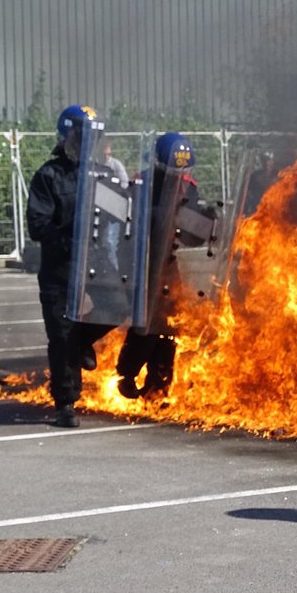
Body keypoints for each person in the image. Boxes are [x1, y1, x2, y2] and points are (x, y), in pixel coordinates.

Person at [26, 104, 116, 428]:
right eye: (82, 136)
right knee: (61, 334)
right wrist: (66, 242)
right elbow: (37, 224)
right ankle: (65, 403)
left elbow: (119, 215)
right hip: (60, 269)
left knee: (118, 304)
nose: (88, 143)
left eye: (94, 137)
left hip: (96, 265)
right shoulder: (48, 176)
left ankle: (82, 341)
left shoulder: (102, 175)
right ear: (67, 136)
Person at [116, 132, 200, 399]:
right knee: (146, 323)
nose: (178, 175)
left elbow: (190, 232)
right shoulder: (141, 183)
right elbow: (129, 221)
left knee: (169, 326)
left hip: (168, 263)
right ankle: (127, 373)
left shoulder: (189, 186)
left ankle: (158, 384)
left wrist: (203, 223)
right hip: (141, 260)